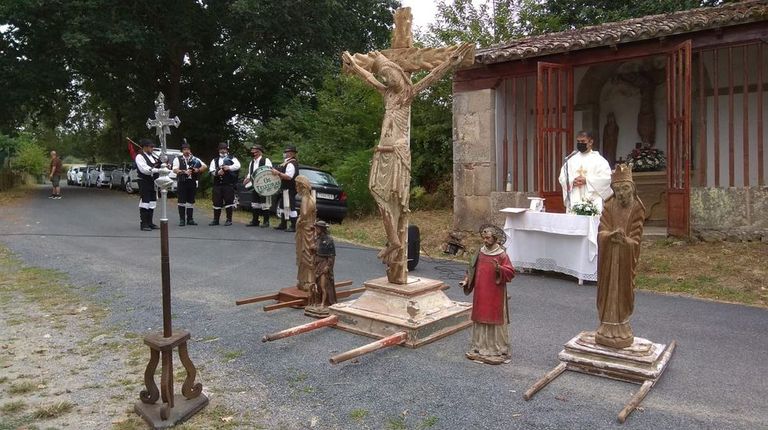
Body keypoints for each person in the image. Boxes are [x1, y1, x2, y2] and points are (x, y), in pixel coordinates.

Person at [595, 164, 645, 349]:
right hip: (609, 258)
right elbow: (601, 230)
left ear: (632, 188)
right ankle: (606, 326)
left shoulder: (637, 208)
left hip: (624, 257)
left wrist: (625, 241)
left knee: (623, 289)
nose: (622, 193)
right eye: (617, 190)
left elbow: (636, 239)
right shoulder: (608, 205)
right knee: (607, 288)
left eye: (625, 188)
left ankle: (621, 326)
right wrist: (609, 235)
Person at [459, 225, 516, 365]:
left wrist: (499, 269)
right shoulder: (480, 252)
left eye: (488, 237)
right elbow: (471, 268)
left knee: (494, 316)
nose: (485, 240)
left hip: (495, 292)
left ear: (495, 238)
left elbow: (511, 272)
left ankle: (496, 349)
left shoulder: (502, 254)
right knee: (480, 316)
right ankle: (479, 346)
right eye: (483, 238)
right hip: (480, 291)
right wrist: (466, 280)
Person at [558, 130, 612, 213]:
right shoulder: (571, 160)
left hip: (592, 199)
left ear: (590, 142)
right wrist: (572, 181)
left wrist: (587, 180)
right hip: (575, 197)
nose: (580, 144)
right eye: (578, 141)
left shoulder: (600, 161)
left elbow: (606, 179)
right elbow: (562, 177)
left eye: (583, 141)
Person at [305, 220, 337, 318]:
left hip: (324, 264)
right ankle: (317, 302)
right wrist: (312, 249)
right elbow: (313, 252)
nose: (316, 230)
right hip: (317, 264)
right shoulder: (316, 239)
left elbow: (331, 256)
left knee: (323, 286)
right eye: (316, 228)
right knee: (316, 285)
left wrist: (328, 266)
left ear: (322, 229)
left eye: (317, 228)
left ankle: (324, 304)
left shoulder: (329, 240)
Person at [172, 140, 207, 226]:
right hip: (182, 181)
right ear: (182, 151)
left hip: (192, 182)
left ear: (190, 150)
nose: (186, 151)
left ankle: (190, 219)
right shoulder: (178, 159)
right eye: (184, 149)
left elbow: (205, 166)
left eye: (187, 149)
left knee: (191, 201)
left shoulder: (195, 159)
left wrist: (198, 170)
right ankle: (182, 220)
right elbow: (175, 169)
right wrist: (184, 172)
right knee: (181, 201)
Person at [209, 142, 240, 226]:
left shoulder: (232, 158)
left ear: (227, 150)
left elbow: (238, 166)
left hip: (228, 184)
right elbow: (211, 170)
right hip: (217, 185)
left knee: (229, 202)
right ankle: (216, 220)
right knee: (216, 202)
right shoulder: (214, 160)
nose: (223, 150)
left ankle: (229, 220)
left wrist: (228, 167)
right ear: (219, 150)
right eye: (221, 149)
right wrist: (217, 172)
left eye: (224, 149)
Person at [294, 175, 316, 291]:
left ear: (302, 186)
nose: (296, 187)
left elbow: (304, 213)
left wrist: (300, 220)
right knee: (308, 254)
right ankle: (305, 280)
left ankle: (308, 281)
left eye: (297, 185)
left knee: (305, 254)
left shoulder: (305, 199)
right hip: (311, 228)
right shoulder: (312, 198)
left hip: (305, 229)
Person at [243, 144, 272, 227]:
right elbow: (250, 173)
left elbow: (269, 171)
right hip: (254, 185)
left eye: (254, 151)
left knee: (265, 203)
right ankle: (255, 220)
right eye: (252, 151)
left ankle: (266, 222)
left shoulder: (265, 160)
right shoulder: (252, 162)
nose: (252, 152)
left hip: (264, 185)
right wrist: (247, 179)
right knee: (255, 203)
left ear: (259, 152)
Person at [134, 138, 161, 231]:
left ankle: (150, 222)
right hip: (144, 181)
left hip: (153, 182)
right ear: (145, 147)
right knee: (145, 201)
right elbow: (144, 170)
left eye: (153, 146)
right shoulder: (139, 157)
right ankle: (144, 224)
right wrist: (156, 169)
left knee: (152, 201)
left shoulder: (153, 157)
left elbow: (157, 166)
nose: (152, 148)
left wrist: (161, 165)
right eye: (151, 147)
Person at [271, 145, 299, 232]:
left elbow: (288, 177)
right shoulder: (287, 162)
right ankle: (283, 224)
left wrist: (277, 173)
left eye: (286, 152)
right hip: (285, 188)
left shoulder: (291, 163)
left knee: (290, 206)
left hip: (290, 188)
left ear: (291, 153)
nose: (284, 153)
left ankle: (294, 226)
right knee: (283, 206)